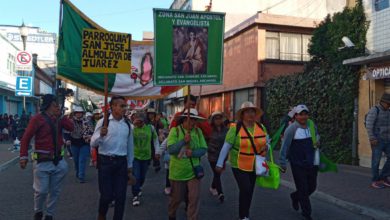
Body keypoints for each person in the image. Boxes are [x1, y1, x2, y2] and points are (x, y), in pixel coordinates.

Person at [19, 94, 74, 220]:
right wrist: (23, 157)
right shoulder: (37, 119)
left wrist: (62, 117)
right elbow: (26, 138)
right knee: (41, 191)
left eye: (58, 106)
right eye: (55, 105)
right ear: (48, 106)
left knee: (55, 191)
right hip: (42, 162)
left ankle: (49, 214)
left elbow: (71, 128)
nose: (57, 108)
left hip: (59, 162)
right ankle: (38, 211)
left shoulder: (60, 118)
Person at [216, 101, 268, 220]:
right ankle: (243, 215)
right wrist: (219, 163)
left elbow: (267, 142)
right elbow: (226, 147)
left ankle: (245, 212)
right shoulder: (235, 129)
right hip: (238, 164)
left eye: (253, 111)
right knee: (245, 188)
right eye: (248, 111)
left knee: (250, 190)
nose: (251, 114)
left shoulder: (261, 127)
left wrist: (267, 147)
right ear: (242, 115)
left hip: (255, 164)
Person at [90, 96, 135, 220]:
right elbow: (93, 143)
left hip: (121, 163)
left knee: (121, 197)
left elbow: (130, 146)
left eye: (124, 106)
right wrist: (100, 135)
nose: (124, 108)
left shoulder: (128, 125)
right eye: (121, 106)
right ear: (112, 107)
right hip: (105, 162)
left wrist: (130, 166)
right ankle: (101, 214)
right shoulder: (103, 122)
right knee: (106, 195)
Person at [279, 104, 320, 220]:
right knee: (302, 187)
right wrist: (282, 163)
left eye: (305, 114)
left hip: (311, 162)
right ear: (296, 116)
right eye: (300, 114)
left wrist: (317, 141)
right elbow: (285, 146)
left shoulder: (311, 125)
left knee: (312, 187)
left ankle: (295, 196)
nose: (303, 117)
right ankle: (307, 213)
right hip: (297, 164)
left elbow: (317, 135)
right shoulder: (291, 129)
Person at [167, 108, 207, 220]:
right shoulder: (175, 131)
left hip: (194, 171)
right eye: (190, 119)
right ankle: (171, 214)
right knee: (177, 198)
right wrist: (183, 141)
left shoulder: (198, 132)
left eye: (194, 120)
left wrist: (193, 153)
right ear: (184, 119)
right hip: (177, 172)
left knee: (194, 198)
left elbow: (203, 149)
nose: (192, 122)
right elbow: (171, 150)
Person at [131, 112, 160, 206]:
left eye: (139, 121)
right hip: (135, 156)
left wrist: (157, 151)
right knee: (136, 176)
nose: (138, 123)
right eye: (136, 120)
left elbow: (155, 140)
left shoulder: (150, 128)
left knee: (142, 177)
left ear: (143, 120)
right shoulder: (131, 128)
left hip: (147, 156)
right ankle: (135, 195)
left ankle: (138, 187)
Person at [366, 93, 390, 189]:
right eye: (388, 103)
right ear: (383, 102)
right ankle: (374, 181)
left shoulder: (388, 112)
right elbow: (369, 125)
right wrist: (372, 138)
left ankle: (383, 177)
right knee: (376, 161)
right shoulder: (374, 110)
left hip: (387, 139)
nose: (389, 105)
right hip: (377, 140)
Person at [207, 111, 228, 203]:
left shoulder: (226, 130)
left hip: (223, 156)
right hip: (212, 155)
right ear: (213, 120)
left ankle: (212, 187)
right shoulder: (209, 129)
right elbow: (205, 142)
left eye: (220, 118)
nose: (218, 120)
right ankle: (221, 193)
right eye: (216, 118)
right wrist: (211, 148)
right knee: (217, 173)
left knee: (217, 173)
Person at [146, 108, 163, 172]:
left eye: (152, 114)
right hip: (147, 139)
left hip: (155, 138)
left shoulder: (156, 120)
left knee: (155, 151)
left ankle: (157, 165)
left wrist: (158, 121)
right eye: (150, 114)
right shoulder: (146, 121)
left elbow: (162, 126)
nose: (151, 115)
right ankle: (147, 163)